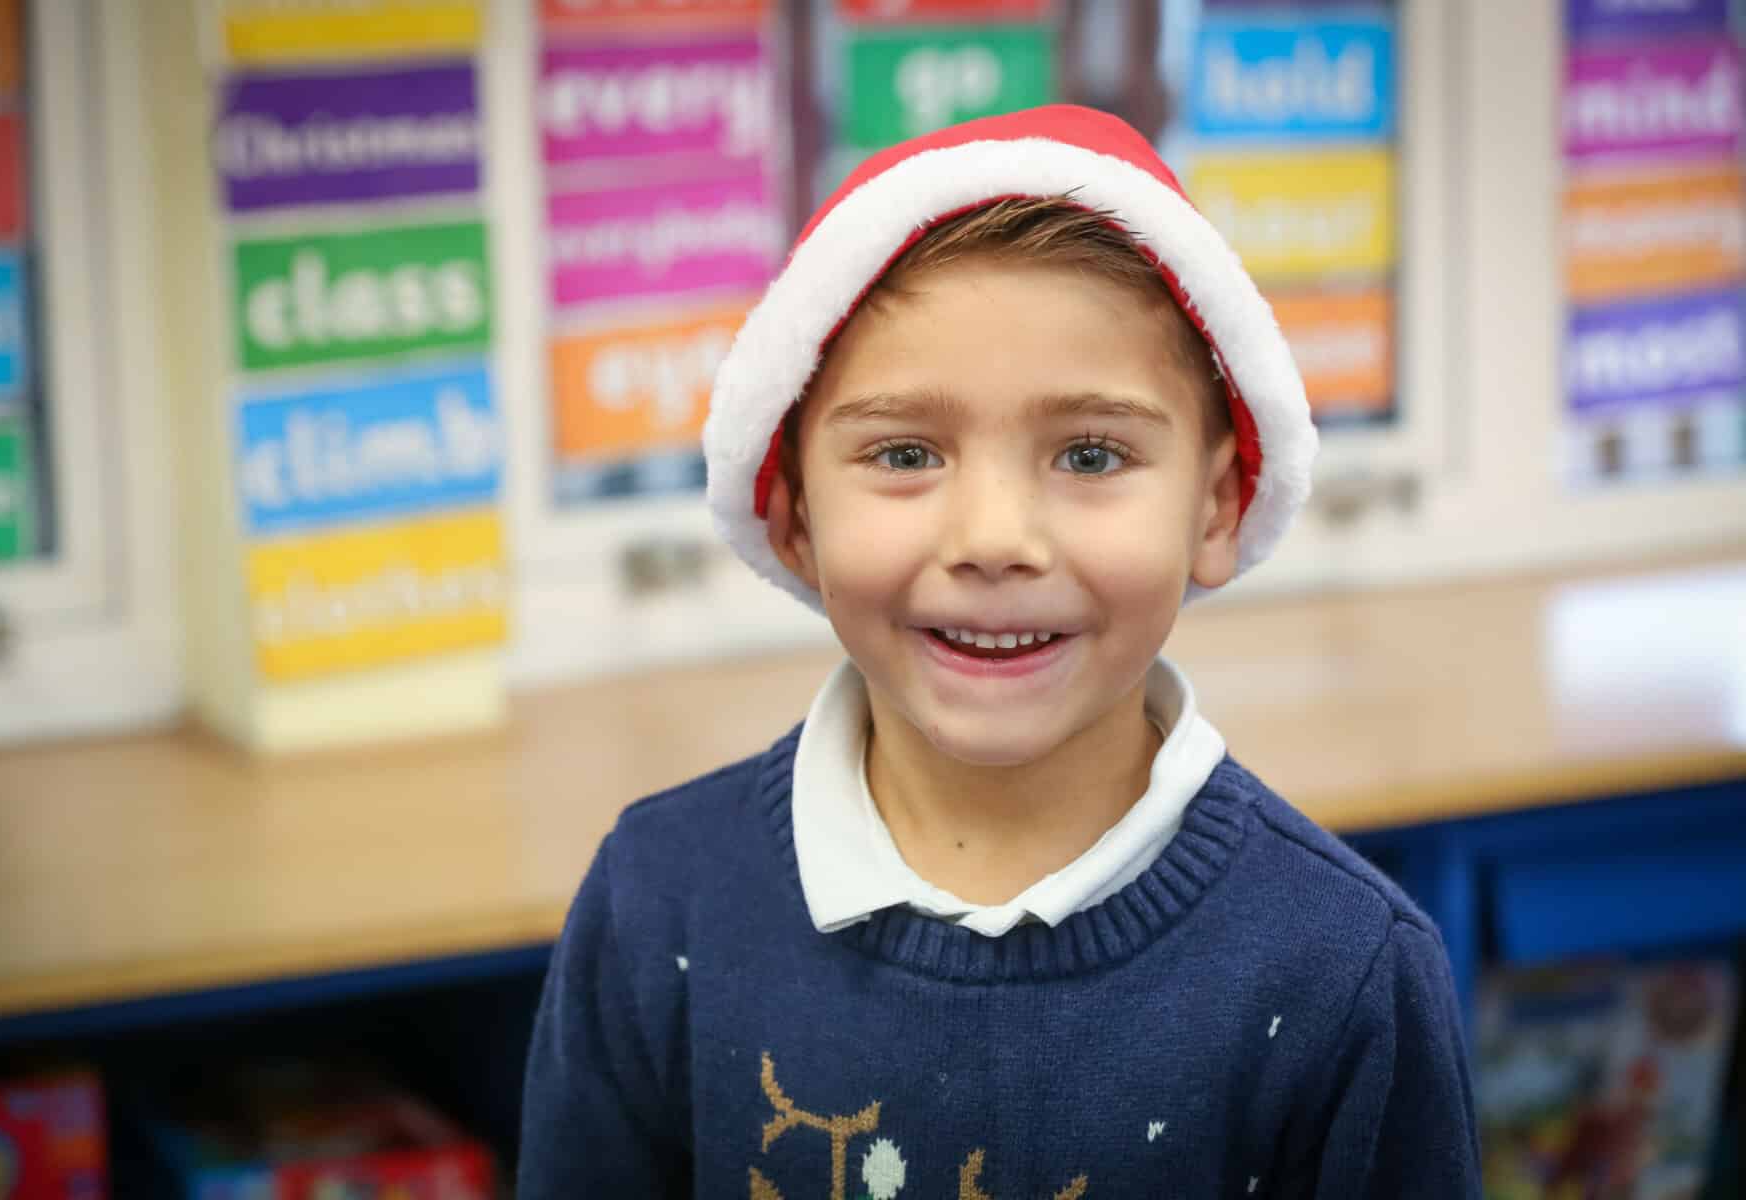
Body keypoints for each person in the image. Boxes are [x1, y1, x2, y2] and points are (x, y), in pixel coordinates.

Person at [517, 105, 1480, 1198]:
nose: (992, 541)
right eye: (906, 451)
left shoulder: (1343, 969)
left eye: (1090, 451)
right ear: (791, 513)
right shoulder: (659, 903)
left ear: (1216, 507)